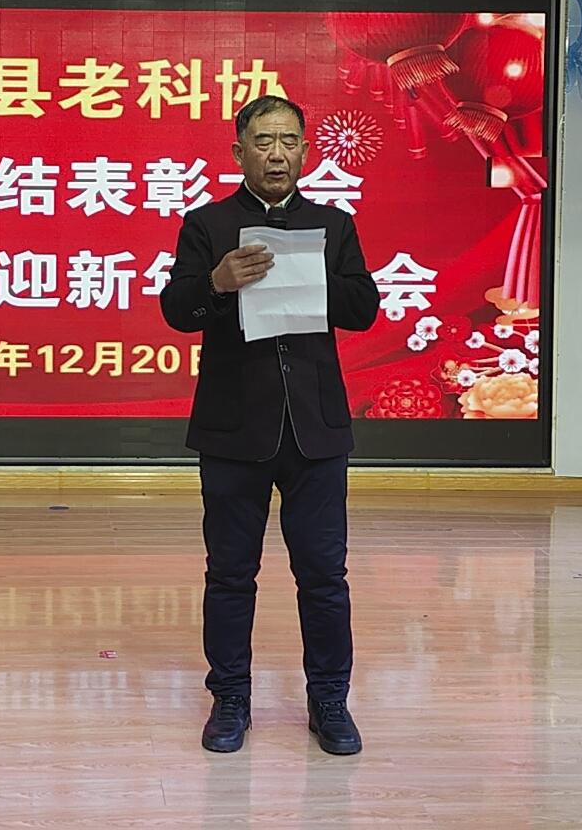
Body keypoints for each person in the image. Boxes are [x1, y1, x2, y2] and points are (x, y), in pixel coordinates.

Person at [160, 94, 380, 756]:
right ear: (239, 152)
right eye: (263, 142)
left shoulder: (333, 226)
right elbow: (176, 310)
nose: (276, 154)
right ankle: (230, 699)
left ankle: (330, 701)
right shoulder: (207, 225)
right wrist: (218, 283)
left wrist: (312, 277)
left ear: (306, 152)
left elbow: (364, 308)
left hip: (315, 430)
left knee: (324, 576)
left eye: (288, 142)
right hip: (233, 431)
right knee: (230, 574)